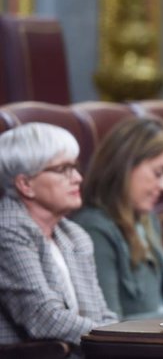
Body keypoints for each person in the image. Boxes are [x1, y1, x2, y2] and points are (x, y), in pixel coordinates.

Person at [0, 123, 117, 349]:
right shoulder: (7, 229)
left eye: (75, 167)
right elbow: (42, 317)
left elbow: (101, 313)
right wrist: (114, 341)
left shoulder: (74, 234)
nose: (77, 178)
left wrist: (127, 342)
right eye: (63, 169)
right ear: (25, 184)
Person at [72, 117, 163, 320]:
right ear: (125, 165)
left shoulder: (148, 220)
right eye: (158, 172)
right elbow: (109, 325)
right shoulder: (94, 229)